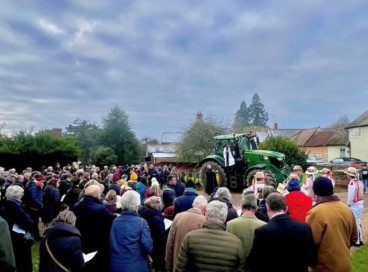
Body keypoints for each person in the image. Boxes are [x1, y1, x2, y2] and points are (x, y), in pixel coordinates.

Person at [246, 193, 316, 272]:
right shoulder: (305, 228)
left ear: (268, 208)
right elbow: (311, 260)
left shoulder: (262, 232)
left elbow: (254, 263)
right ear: (286, 209)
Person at [175, 200, 245, 271]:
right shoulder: (236, 243)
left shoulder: (190, 237)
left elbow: (180, 268)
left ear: (206, 216)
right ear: (225, 218)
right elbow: (241, 269)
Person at [306, 177, 357, 272]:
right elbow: (354, 237)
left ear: (315, 192)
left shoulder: (315, 213)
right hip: (345, 265)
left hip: (325, 267)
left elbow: (309, 244)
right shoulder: (346, 209)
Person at [74, 184, 116, 271]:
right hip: (98, 241)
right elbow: (112, 218)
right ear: (98, 195)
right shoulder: (100, 209)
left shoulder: (78, 206)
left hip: (82, 239)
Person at [110, 190, 153, 272]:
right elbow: (148, 247)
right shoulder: (142, 222)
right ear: (137, 206)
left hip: (116, 264)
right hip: (136, 265)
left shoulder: (115, 220)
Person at [165, 195, 207, 271]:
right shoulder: (204, 221)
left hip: (177, 264)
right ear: (205, 208)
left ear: (193, 205)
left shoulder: (178, 217)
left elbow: (170, 243)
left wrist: (168, 265)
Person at [2, 185, 34, 272]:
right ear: (19, 195)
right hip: (18, 238)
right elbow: (28, 223)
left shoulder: (4, 204)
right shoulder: (15, 207)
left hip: (9, 235)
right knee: (22, 261)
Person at [226, 192, 266, 260]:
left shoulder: (230, 225)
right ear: (256, 208)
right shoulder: (264, 226)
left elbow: (228, 249)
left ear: (241, 207)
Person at [139, 196, 166, 272]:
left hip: (146, 239)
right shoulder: (156, 217)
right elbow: (160, 232)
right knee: (158, 261)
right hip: (156, 243)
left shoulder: (142, 212)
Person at [345, 167, 364, 246]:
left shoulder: (352, 183)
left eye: (347, 174)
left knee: (355, 222)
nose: (346, 176)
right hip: (360, 204)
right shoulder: (360, 182)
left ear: (349, 175)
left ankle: (357, 241)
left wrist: (348, 204)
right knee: (358, 222)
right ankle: (360, 239)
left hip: (354, 205)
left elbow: (350, 196)